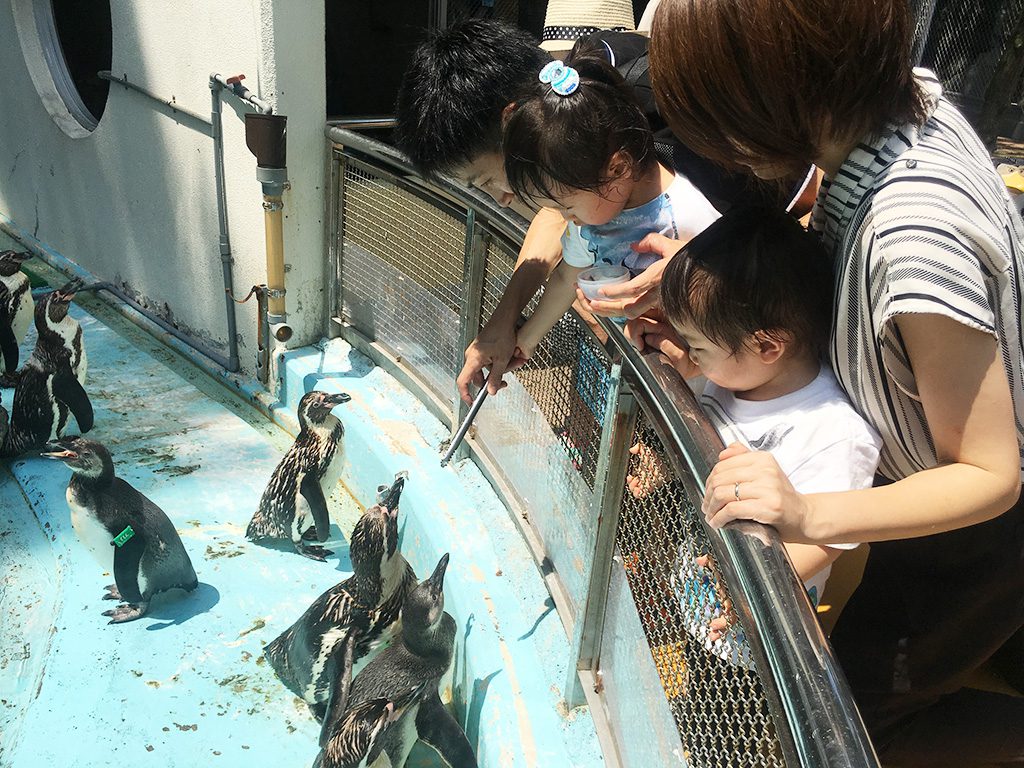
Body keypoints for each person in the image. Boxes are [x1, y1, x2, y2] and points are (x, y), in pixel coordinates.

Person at [636, 0, 1024, 763]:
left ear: (773, 93)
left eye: (721, 120)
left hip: (968, 528)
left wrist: (808, 512)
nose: (724, 151)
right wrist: (715, 292)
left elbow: (990, 473)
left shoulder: (912, 231)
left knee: (872, 719)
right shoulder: (901, 103)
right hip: (923, 499)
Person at [394, 20, 805, 405]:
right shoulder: (571, 121)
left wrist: (697, 269)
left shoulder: (688, 125)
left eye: (486, 181)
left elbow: (805, 216)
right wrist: (508, 320)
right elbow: (562, 220)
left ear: (515, 123)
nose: (502, 199)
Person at [635, 206, 881, 610]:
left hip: (752, 631)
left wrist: (752, 595)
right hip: (701, 586)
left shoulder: (834, 432)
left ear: (767, 346)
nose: (689, 352)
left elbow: (828, 540)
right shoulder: (738, 374)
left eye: (698, 345)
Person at [501, 45, 720, 364]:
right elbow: (566, 277)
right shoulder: (592, 222)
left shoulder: (690, 211)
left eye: (567, 208)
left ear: (618, 169)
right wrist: (527, 339)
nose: (568, 220)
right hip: (643, 368)